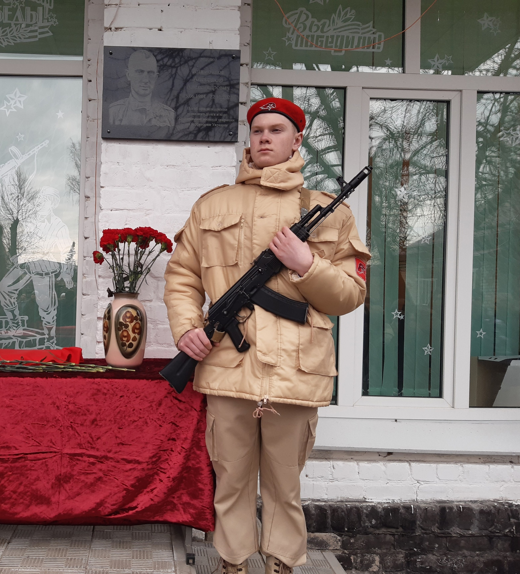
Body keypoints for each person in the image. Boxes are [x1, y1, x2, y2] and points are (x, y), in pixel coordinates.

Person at [163, 98, 371, 574]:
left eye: (277, 130)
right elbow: (182, 277)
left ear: (297, 140)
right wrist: (186, 329)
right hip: (228, 365)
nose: (264, 138)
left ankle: (282, 563)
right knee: (231, 479)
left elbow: (349, 295)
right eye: (257, 130)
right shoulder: (212, 204)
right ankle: (234, 563)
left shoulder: (328, 213)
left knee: (284, 483)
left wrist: (306, 265)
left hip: (296, 370)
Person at [0, 186, 75, 348]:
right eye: (39, 202)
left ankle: (50, 340)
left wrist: (67, 273)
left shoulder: (59, 226)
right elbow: (21, 242)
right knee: (4, 287)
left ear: (51, 204)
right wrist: (16, 256)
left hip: (45, 266)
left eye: (44, 202)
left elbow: (68, 251)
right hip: (26, 264)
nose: (39, 205)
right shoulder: (30, 220)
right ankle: (15, 326)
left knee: (46, 305)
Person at [108, 49, 175, 127]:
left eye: (150, 73)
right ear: (128, 75)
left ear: (156, 77)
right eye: (140, 72)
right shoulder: (114, 112)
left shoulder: (169, 115)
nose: (146, 80)